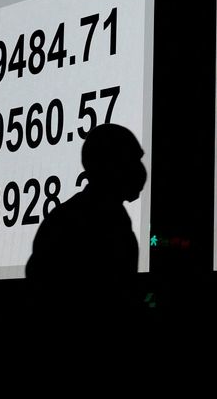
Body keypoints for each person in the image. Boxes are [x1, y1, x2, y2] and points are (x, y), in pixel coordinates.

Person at [25, 123, 147, 320]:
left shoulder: (112, 220)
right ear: (110, 166)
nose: (140, 170)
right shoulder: (72, 223)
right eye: (132, 160)